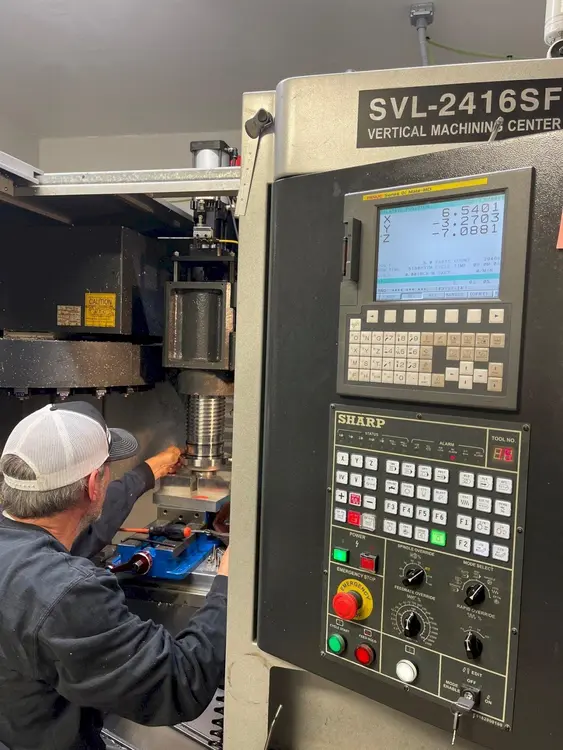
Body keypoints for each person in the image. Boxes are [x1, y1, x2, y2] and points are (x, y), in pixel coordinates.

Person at [0, 401, 229, 750]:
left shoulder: (20, 547)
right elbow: (179, 683)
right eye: (107, 470)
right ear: (95, 484)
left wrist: (146, 474)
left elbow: (79, 531)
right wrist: (228, 585)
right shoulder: (68, 596)